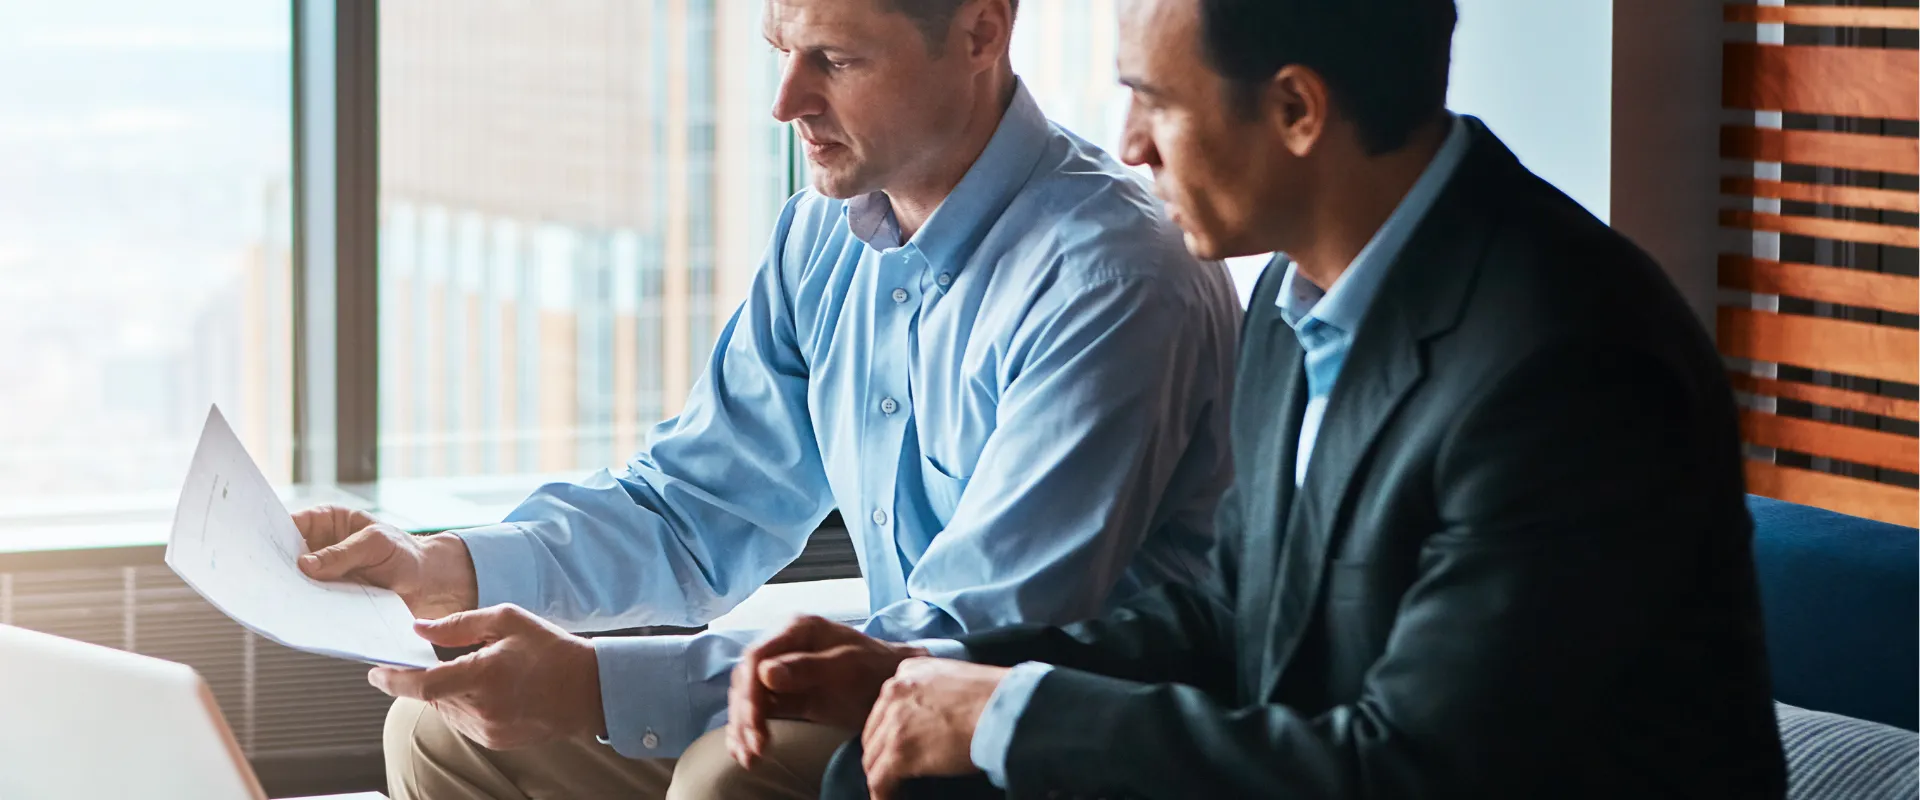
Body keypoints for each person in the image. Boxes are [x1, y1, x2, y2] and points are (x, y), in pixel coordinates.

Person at [725, 0, 1789, 797]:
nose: (1129, 144)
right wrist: (936, 667)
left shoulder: (1564, 363)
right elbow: (1238, 607)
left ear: (1295, 110)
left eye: (1156, 100)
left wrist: (1009, 712)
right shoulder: (1293, 291)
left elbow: (1417, 767)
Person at [290, 0, 1242, 797]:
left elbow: (972, 636)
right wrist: (442, 570)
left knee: (729, 777)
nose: (786, 101)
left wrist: (591, 685)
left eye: (834, 58)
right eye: (780, 50)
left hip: (1045, 734)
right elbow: (691, 511)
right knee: (442, 734)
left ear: (982, 34)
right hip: (891, 690)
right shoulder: (822, 235)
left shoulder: (1110, 278)